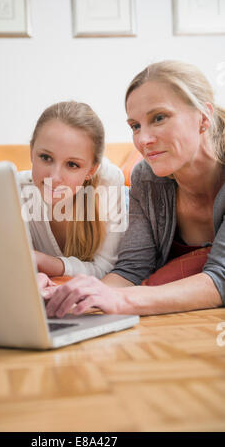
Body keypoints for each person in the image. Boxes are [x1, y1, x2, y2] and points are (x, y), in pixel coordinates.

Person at [41, 60, 225, 318]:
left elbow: (220, 279)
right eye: (135, 126)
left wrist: (120, 301)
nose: (143, 140)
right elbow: (131, 270)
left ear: (203, 118)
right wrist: (72, 298)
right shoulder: (146, 178)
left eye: (159, 118)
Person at [18, 101, 126, 279]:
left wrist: (42, 261)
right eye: (45, 157)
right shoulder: (17, 189)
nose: (54, 178)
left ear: (91, 170)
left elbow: (106, 269)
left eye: (72, 165)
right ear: (31, 151)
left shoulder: (108, 182)